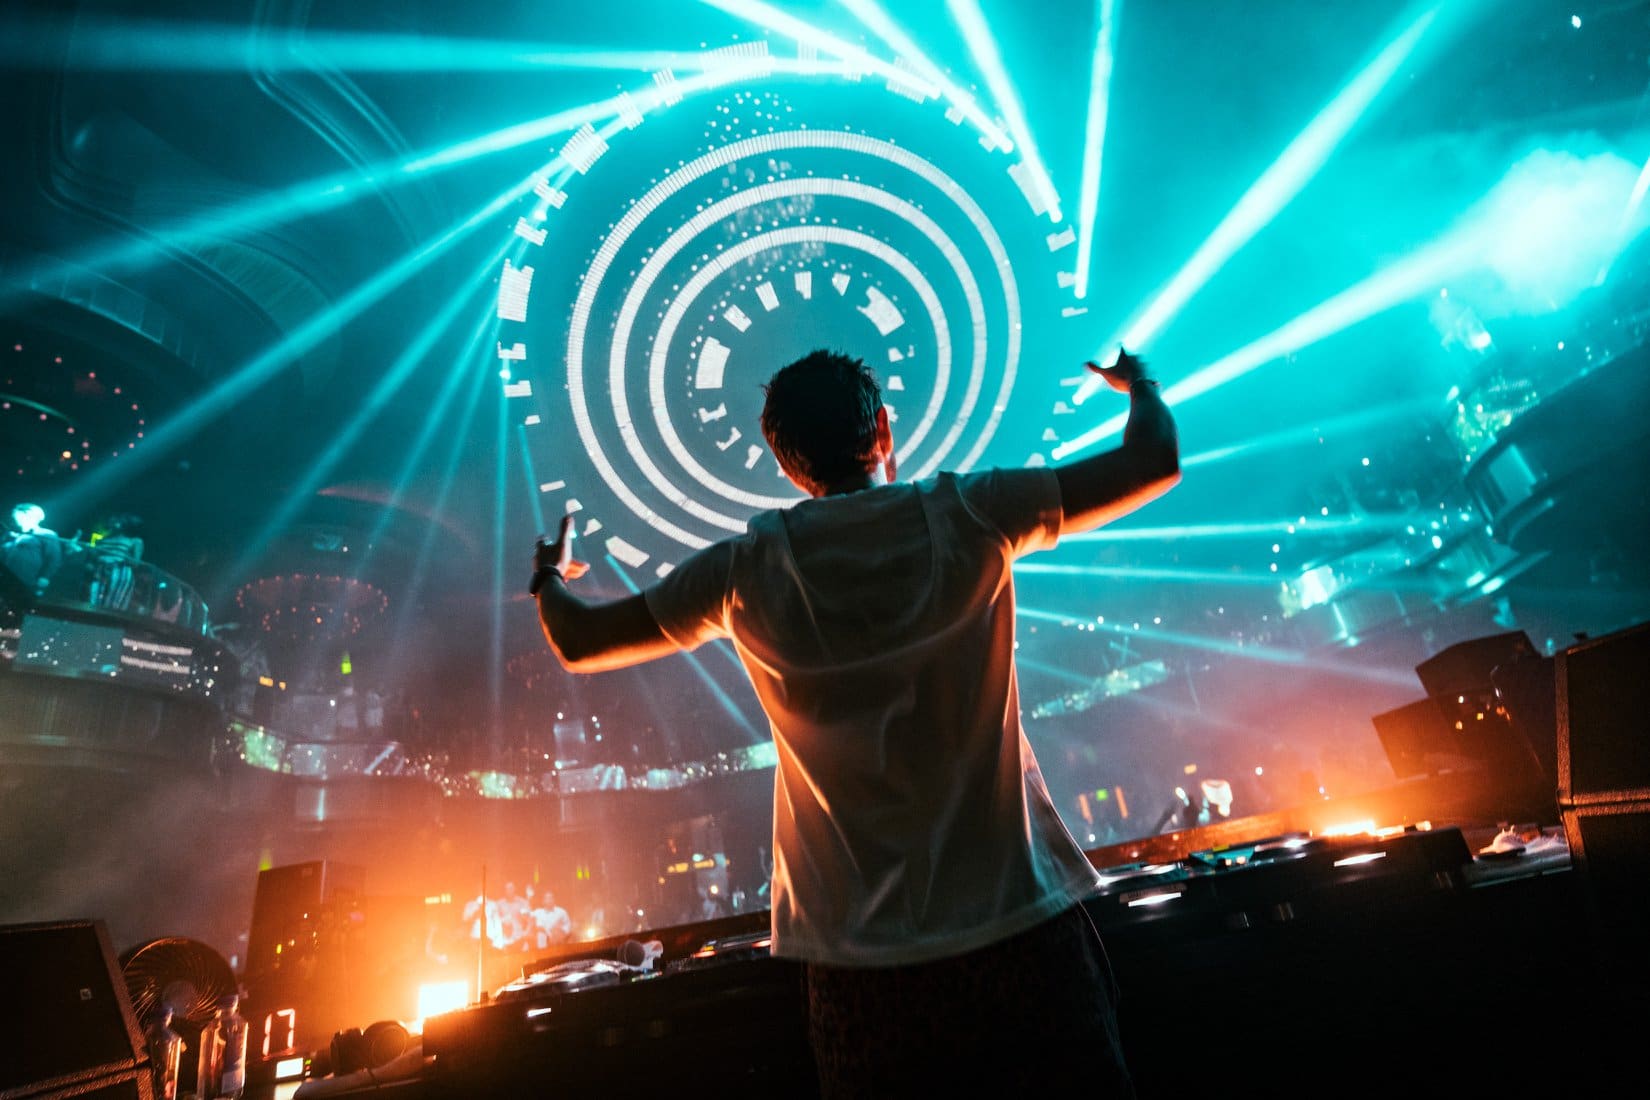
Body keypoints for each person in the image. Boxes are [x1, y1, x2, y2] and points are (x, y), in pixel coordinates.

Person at [531, 346, 1177, 1094]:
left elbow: (580, 642)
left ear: (788, 465)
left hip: (863, 973)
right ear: (883, 430)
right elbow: (1154, 459)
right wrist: (1142, 384)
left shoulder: (745, 572)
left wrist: (548, 576)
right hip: (1021, 935)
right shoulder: (972, 512)